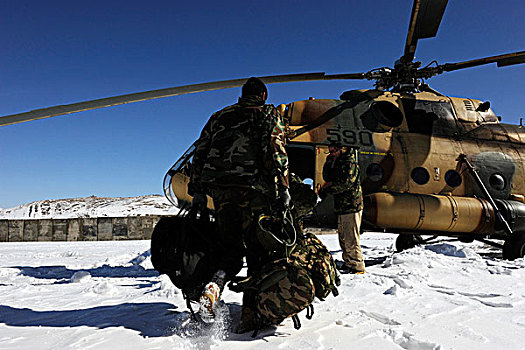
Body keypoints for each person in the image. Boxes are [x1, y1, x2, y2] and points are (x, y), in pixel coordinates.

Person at [187, 77, 290, 330]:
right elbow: (277, 152)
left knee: (230, 250)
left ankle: (214, 286)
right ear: (263, 95)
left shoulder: (219, 116)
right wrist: (284, 188)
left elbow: (199, 153)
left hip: (222, 196)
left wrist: (197, 191)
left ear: (242, 95)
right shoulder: (268, 114)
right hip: (256, 193)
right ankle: (249, 316)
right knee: (257, 254)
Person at [319, 143, 365, 274]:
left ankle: (357, 266)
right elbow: (327, 178)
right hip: (342, 206)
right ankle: (349, 262)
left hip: (351, 205)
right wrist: (329, 163)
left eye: (333, 150)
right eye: (330, 150)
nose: (331, 152)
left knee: (351, 238)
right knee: (343, 237)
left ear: (341, 149)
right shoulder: (337, 162)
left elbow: (345, 184)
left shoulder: (349, 163)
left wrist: (327, 191)